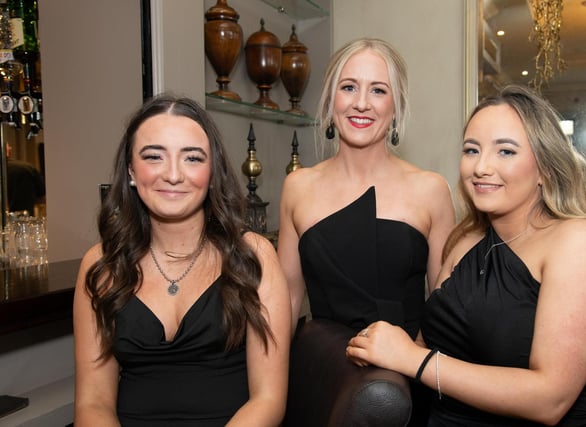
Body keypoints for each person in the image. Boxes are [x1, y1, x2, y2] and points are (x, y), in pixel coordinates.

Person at [346, 84, 586, 426]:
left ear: (545, 168)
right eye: (471, 150)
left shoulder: (582, 243)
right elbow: (429, 345)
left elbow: (549, 399)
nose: (481, 167)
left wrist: (411, 359)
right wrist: (383, 348)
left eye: (505, 152)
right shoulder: (465, 240)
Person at [73, 95, 291, 426]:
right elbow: (93, 403)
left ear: (212, 171)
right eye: (154, 156)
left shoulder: (254, 256)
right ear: (131, 171)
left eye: (192, 158)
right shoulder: (102, 265)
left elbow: (269, 399)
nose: (173, 175)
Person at [277, 37, 455, 424]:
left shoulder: (431, 189)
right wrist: (267, 389)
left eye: (378, 90)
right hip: (322, 378)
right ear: (330, 101)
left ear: (396, 106)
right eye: (348, 87)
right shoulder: (297, 187)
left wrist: (408, 367)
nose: (361, 103)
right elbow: (287, 302)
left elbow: (445, 304)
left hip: (409, 382)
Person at [6, 143, 45, 215]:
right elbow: (42, 192)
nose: (11, 147)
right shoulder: (26, 167)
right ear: (8, 150)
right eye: (9, 146)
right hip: (25, 217)